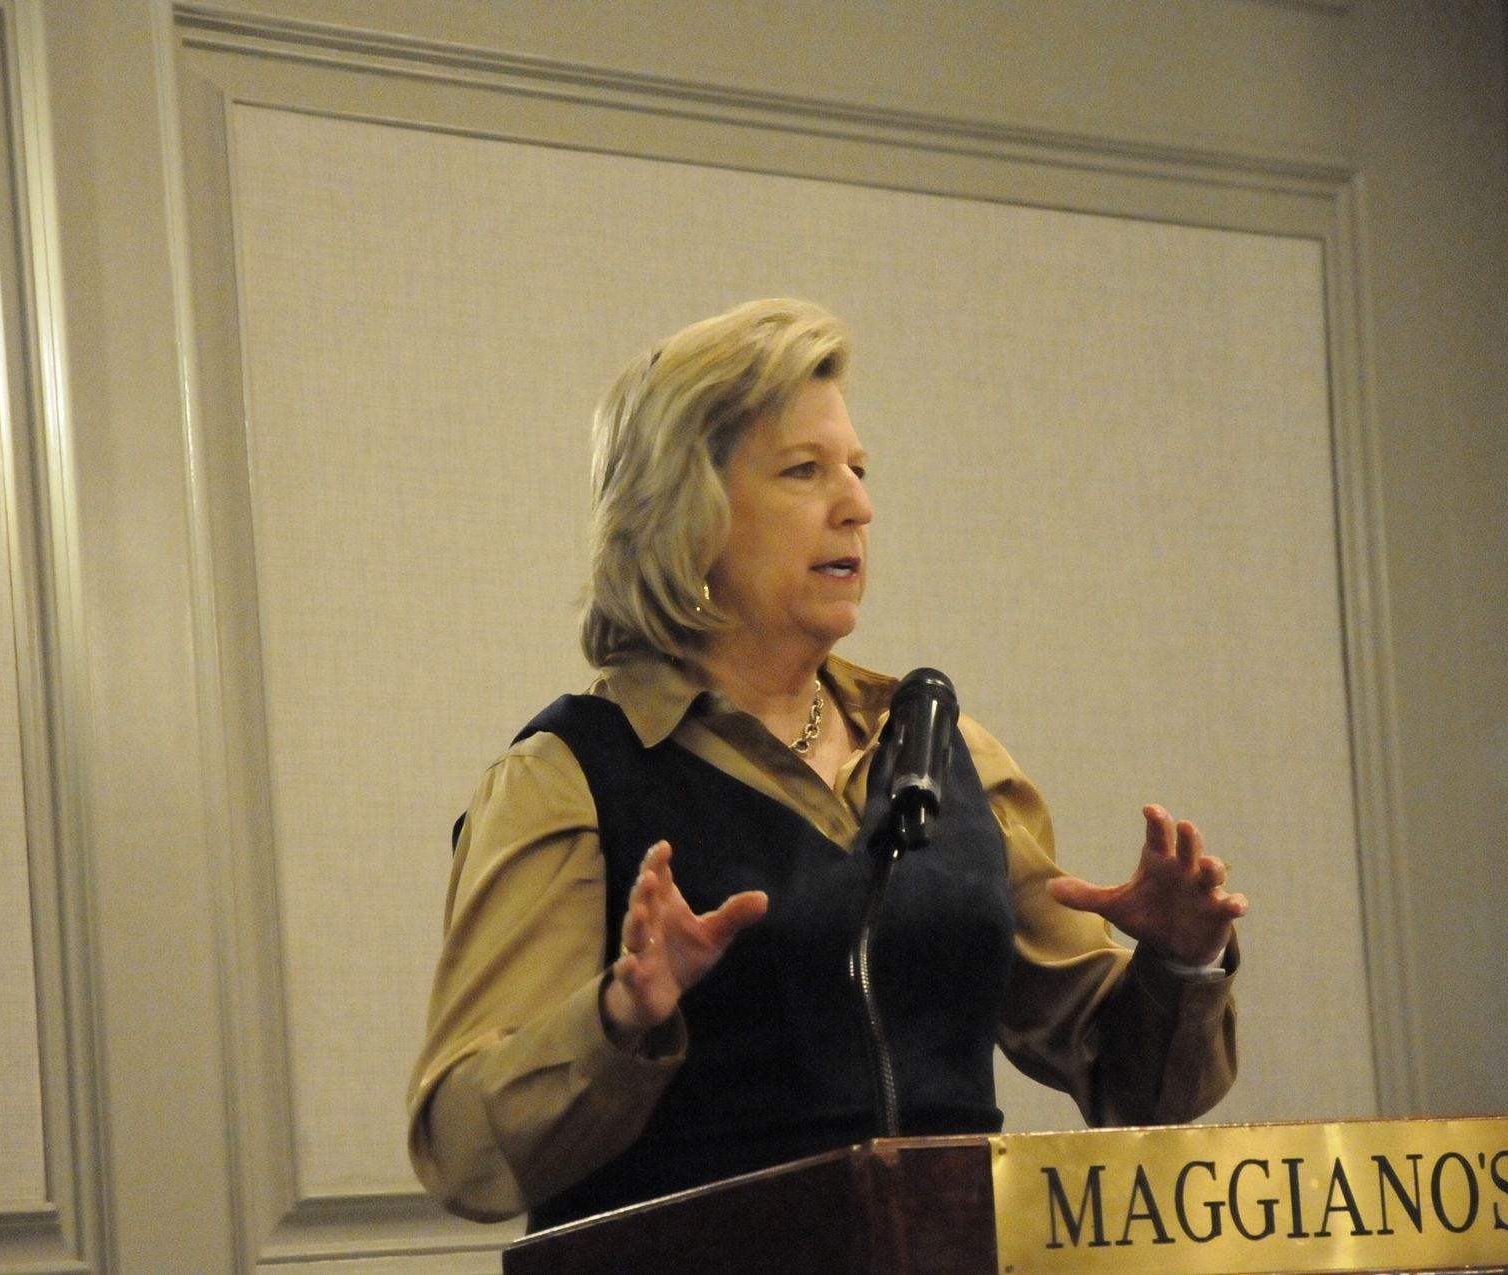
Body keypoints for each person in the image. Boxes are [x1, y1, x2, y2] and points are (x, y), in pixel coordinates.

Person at [406, 298, 1245, 1231]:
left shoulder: (947, 753)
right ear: (687, 514)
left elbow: (1136, 1088)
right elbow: (463, 1149)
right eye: (803, 471)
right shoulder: (571, 777)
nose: (858, 504)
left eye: (858, 468)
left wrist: (1182, 962)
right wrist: (618, 1019)